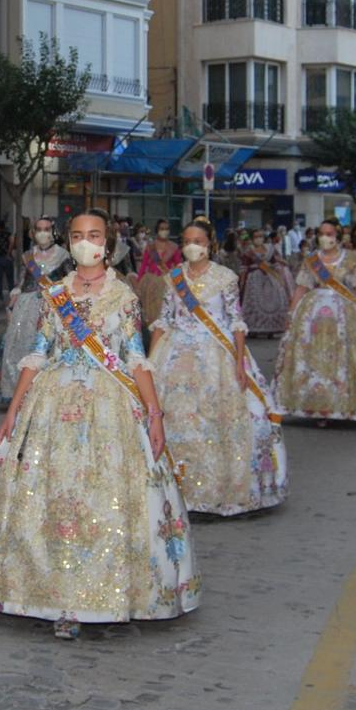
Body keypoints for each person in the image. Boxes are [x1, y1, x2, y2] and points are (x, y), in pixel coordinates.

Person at [0, 211, 199, 640]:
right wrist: (14, 407)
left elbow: (135, 358)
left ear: (109, 242)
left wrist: (155, 414)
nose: (87, 242)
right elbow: (39, 351)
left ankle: (104, 595)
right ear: (69, 242)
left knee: (107, 498)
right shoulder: (55, 294)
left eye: (95, 235)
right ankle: (51, 595)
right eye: (79, 236)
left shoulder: (123, 296)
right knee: (48, 496)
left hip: (109, 408)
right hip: (52, 404)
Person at [149, 218, 286, 516]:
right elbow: (163, 320)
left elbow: (235, 321)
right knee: (176, 420)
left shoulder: (225, 277)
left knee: (219, 419)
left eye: (197, 241)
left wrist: (239, 362)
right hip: (175, 357)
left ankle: (219, 491)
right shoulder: (173, 277)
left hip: (217, 355)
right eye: (186, 241)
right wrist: (149, 364)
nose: (191, 246)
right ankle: (178, 492)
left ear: (209, 244)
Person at [274, 222, 356, 422]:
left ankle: (343, 405)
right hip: (313, 314)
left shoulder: (350, 259)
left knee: (345, 358)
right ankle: (312, 404)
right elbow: (301, 288)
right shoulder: (311, 260)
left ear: (338, 236)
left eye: (329, 234)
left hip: (345, 314)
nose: (325, 237)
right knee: (312, 359)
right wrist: (291, 314)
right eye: (321, 233)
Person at [0, 216, 71, 405]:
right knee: (19, 344)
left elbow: (70, 280)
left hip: (54, 305)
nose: (43, 233)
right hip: (27, 305)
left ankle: (48, 391)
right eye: (39, 229)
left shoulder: (63, 255)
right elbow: (21, 280)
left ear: (53, 231)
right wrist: (14, 296)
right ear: (34, 232)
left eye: (46, 229)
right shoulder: (28, 255)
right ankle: (18, 392)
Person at [239, 230, 294, 338]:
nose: (258, 239)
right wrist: (242, 282)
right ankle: (253, 328)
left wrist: (279, 273)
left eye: (260, 236)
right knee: (254, 303)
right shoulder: (248, 252)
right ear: (252, 238)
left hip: (270, 278)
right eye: (256, 236)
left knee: (275, 302)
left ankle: (271, 329)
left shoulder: (269, 250)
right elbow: (244, 268)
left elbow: (275, 263)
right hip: (254, 280)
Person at [134, 219, 183, 331]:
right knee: (150, 312)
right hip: (150, 283)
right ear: (157, 230)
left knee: (164, 311)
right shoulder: (150, 247)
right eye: (162, 229)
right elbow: (144, 265)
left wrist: (179, 283)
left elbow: (178, 266)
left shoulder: (174, 247)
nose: (164, 231)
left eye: (166, 229)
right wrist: (138, 283)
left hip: (167, 283)